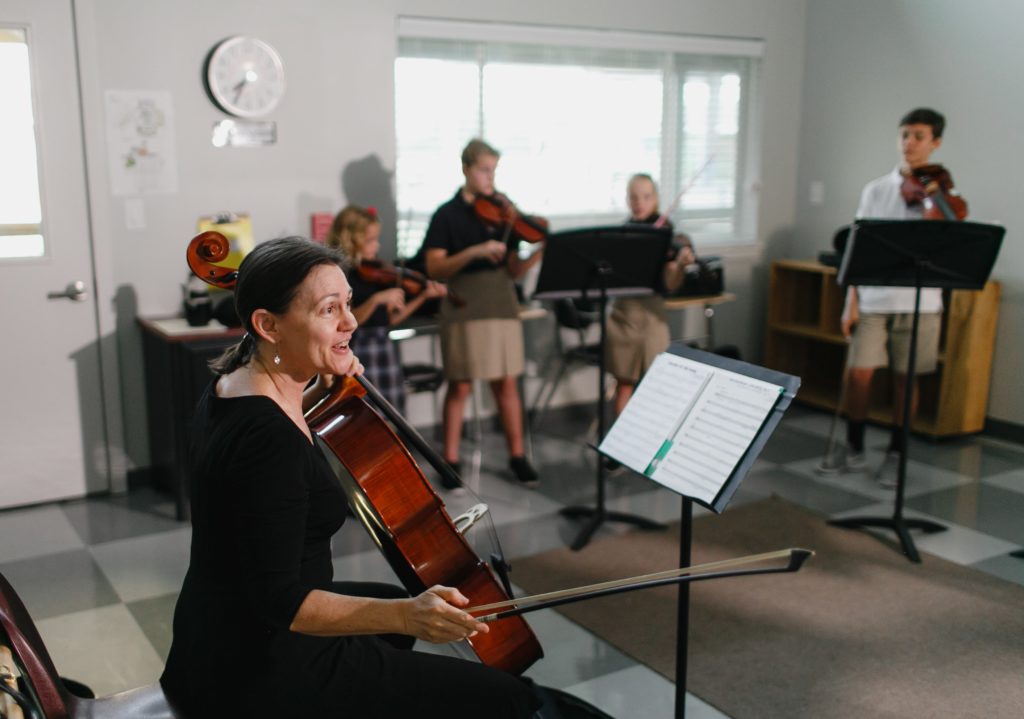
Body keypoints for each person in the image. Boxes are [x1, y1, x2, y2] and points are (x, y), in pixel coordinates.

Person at [160, 237, 539, 718]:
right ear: (267, 324)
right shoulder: (267, 440)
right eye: (328, 310)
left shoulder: (234, 384)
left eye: (349, 304)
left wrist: (323, 379)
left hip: (215, 627)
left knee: (396, 618)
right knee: (508, 699)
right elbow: (282, 601)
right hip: (260, 665)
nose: (351, 322)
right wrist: (408, 616)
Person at [840, 108, 958, 486]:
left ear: (935, 142)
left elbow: (949, 240)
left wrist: (936, 202)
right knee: (859, 374)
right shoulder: (877, 190)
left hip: (920, 302)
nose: (909, 143)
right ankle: (854, 445)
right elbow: (858, 250)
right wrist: (851, 302)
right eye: (905, 134)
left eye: (919, 136)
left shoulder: (942, 193)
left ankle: (896, 453)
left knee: (908, 380)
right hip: (875, 298)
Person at [422, 139, 543, 489]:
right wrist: (474, 251)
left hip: (502, 304)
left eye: (494, 170)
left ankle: (518, 457)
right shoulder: (447, 214)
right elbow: (435, 266)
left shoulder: (505, 212)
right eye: (484, 170)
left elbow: (515, 271)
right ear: (466, 169)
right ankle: (451, 460)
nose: (490, 178)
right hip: (464, 306)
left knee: (506, 382)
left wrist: (539, 250)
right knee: (460, 384)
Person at [326, 204, 447, 413]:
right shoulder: (344, 275)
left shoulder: (375, 272)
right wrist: (376, 299)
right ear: (351, 239)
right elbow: (347, 321)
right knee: (364, 409)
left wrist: (423, 297)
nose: (377, 246)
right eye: (370, 240)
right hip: (359, 348)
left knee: (392, 409)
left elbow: (390, 320)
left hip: (383, 346)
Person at [606, 173, 693, 419]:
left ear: (655, 199)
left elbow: (669, 283)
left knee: (657, 385)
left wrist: (680, 264)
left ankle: (647, 444)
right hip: (624, 316)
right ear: (627, 200)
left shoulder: (664, 232)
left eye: (645, 196)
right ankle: (619, 446)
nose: (639, 202)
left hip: (653, 315)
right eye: (633, 197)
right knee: (625, 383)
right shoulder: (623, 233)